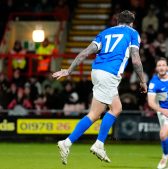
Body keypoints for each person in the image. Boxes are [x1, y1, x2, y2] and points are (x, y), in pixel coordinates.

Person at [52, 10, 147, 165]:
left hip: (96, 71)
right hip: (110, 73)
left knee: (109, 109)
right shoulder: (132, 33)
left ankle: (69, 143)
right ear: (131, 23)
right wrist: (142, 81)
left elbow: (84, 53)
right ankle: (96, 144)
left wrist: (69, 70)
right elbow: (136, 60)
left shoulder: (105, 33)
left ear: (117, 21)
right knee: (107, 111)